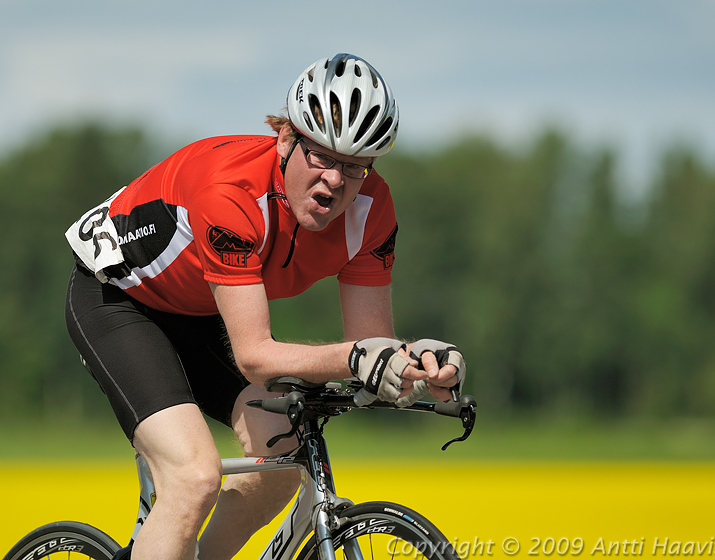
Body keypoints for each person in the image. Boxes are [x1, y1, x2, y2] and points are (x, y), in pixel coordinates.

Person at [63, 53, 466, 560]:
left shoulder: (372, 211)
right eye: (321, 156)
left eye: (355, 165)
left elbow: (370, 347)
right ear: (285, 138)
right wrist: (360, 357)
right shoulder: (230, 194)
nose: (336, 180)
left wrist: (417, 362)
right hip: (119, 301)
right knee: (193, 477)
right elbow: (256, 356)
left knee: (281, 460)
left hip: (200, 312)